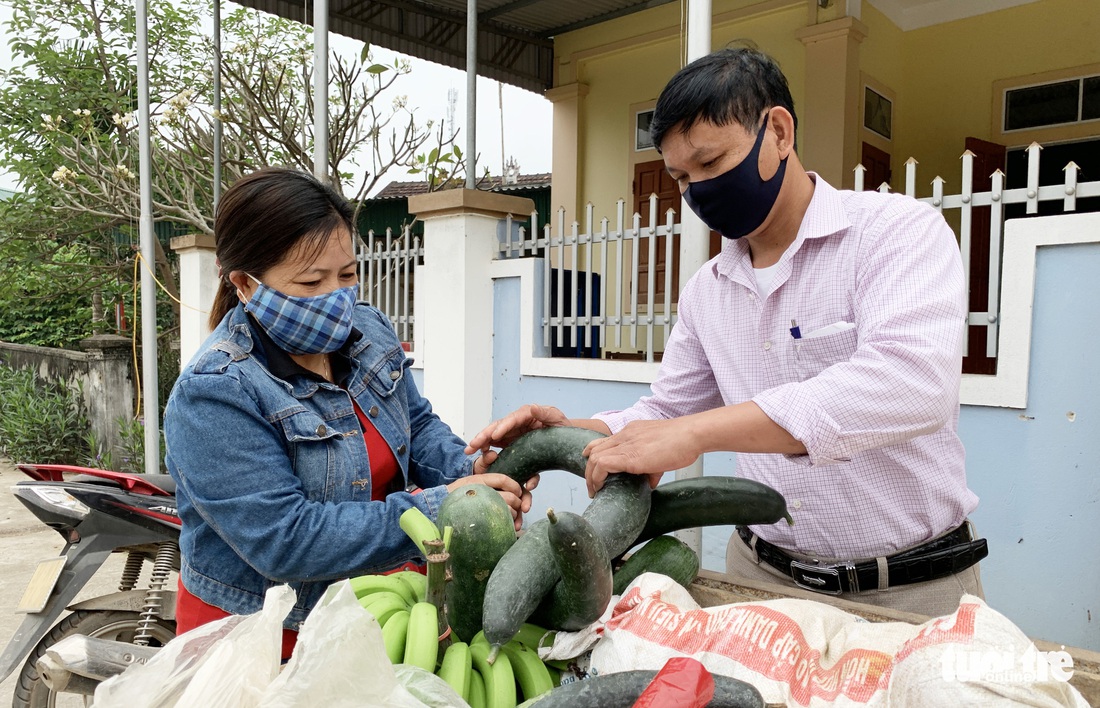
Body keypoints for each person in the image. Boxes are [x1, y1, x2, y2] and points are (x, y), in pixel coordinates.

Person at [468, 47, 985, 617]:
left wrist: (697, 434)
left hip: (912, 586)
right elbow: (668, 413)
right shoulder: (708, 289)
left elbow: (911, 384)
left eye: (711, 164)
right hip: (760, 576)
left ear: (779, 132)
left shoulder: (895, 233)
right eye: (681, 178)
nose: (698, 192)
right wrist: (571, 432)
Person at [164, 167, 531, 654]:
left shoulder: (369, 331)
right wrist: (440, 508)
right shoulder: (214, 394)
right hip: (265, 634)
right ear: (245, 284)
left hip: (375, 606)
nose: (335, 297)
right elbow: (285, 539)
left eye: (347, 274)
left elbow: (414, 424)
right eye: (311, 281)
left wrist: (468, 469)